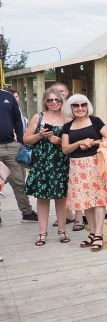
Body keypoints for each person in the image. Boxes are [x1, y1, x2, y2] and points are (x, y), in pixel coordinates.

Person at [61, 94, 107, 252]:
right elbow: (65, 149)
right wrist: (79, 142)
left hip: (96, 164)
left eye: (83, 105)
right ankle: (92, 233)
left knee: (99, 200)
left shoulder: (95, 121)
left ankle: (98, 235)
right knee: (86, 201)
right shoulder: (67, 127)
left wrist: (92, 143)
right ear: (71, 108)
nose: (80, 108)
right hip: (77, 167)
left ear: (87, 106)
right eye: (76, 105)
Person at [23, 87, 71, 245]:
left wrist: (60, 141)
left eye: (57, 99)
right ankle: (42, 233)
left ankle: (62, 230)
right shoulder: (38, 117)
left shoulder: (68, 118)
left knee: (61, 198)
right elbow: (26, 139)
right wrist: (40, 135)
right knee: (42, 198)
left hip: (61, 163)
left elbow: (72, 142)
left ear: (62, 100)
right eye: (50, 100)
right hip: (42, 164)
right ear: (45, 101)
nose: (54, 102)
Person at [0, 88, 38, 223]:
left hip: (11, 146)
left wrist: (21, 141)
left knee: (19, 182)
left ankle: (27, 213)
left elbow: (19, 120)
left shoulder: (8, 97)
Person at [51, 81, 83, 230]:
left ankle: (79, 217)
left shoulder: (74, 109)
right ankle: (66, 215)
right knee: (61, 186)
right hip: (56, 156)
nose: (58, 95)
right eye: (55, 92)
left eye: (61, 92)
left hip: (73, 153)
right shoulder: (52, 110)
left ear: (67, 92)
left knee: (76, 185)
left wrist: (61, 142)